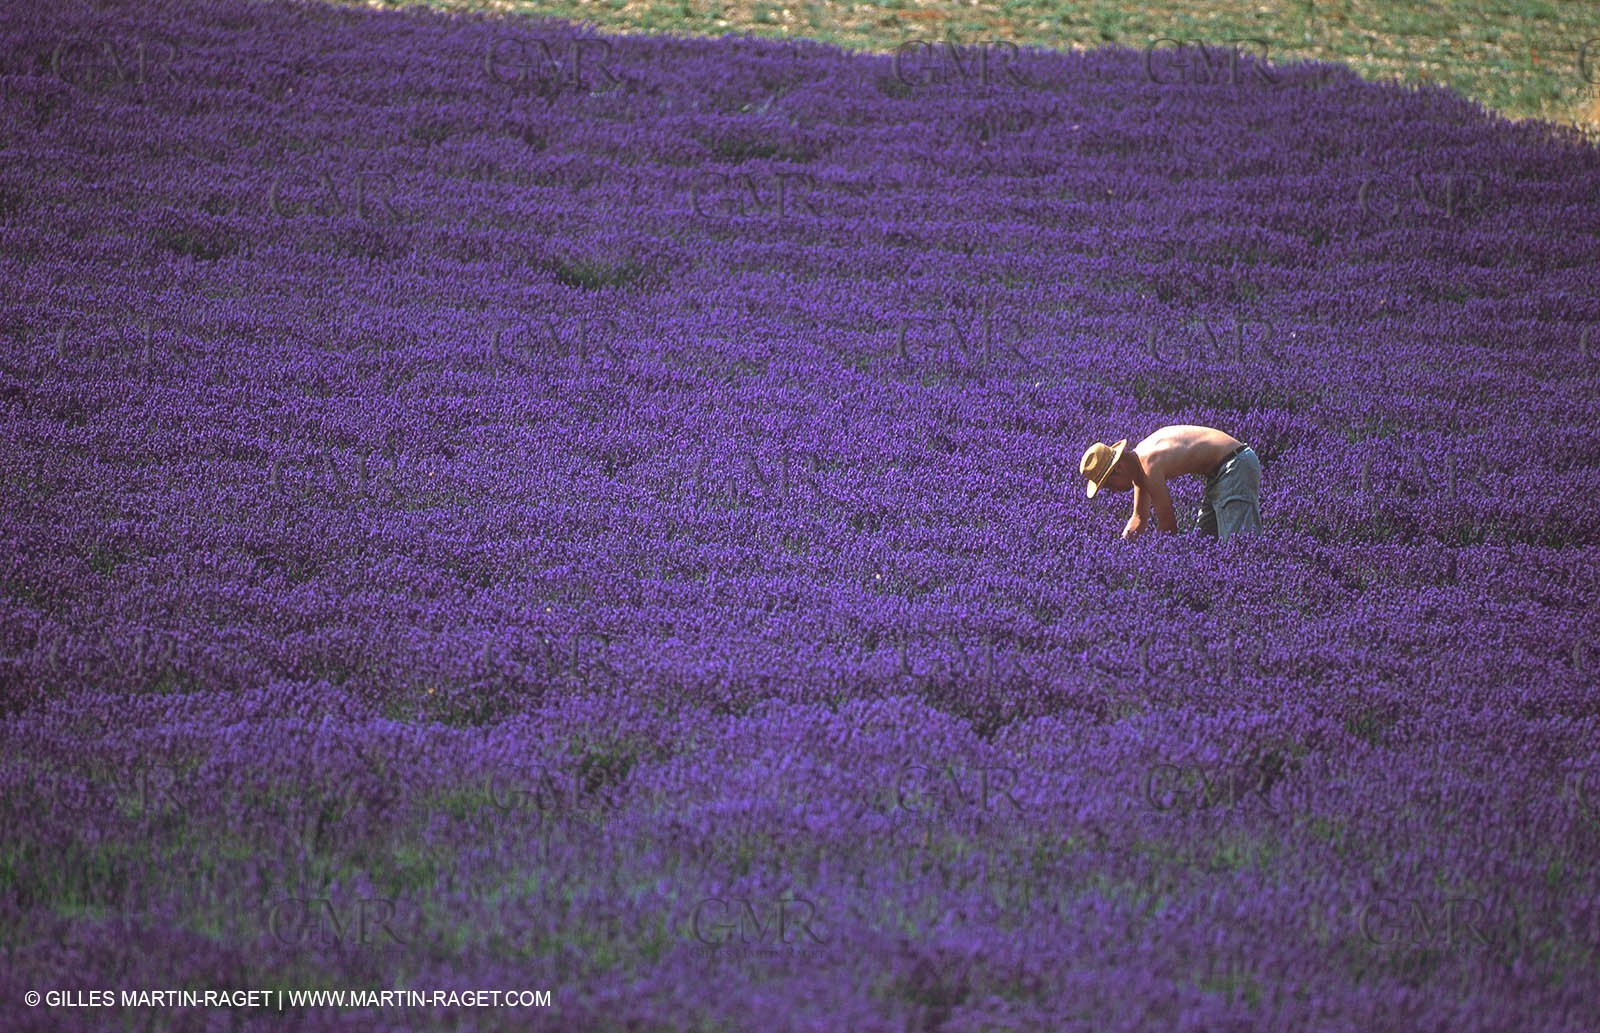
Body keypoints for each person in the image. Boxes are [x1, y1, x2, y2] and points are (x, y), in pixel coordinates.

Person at [1080, 425, 1261, 542]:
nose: (1114, 491)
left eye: (1109, 485)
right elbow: (1138, 519)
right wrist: (1121, 550)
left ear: (1118, 469)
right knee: (1202, 543)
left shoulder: (1149, 466)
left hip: (1235, 466)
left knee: (1239, 545)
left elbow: (1168, 526)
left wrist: (1155, 562)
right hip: (1220, 472)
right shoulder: (1139, 464)